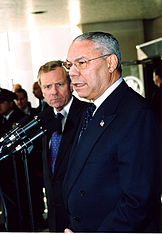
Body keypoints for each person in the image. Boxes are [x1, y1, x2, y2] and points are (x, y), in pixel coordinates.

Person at [63, 32, 161, 233]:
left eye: (81, 63)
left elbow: (138, 201)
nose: (72, 72)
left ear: (110, 63)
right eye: (69, 65)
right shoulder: (90, 110)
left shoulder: (136, 115)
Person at [37, 60, 88, 232]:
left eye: (59, 84)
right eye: (48, 87)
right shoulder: (41, 121)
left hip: (83, 216)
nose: (54, 92)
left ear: (71, 85)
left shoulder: (88, 114)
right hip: (55, 216)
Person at [0, 88, 29, 231]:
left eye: (1, 102)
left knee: (19, 208)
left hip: (16, 174)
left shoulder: (19, 119)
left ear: (10, 104)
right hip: (1, 173)